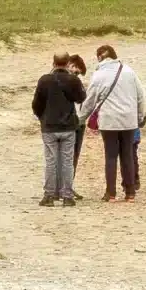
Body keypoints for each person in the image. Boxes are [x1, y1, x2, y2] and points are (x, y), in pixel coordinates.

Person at [84, 43, 146, 202]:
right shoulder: (129, 71)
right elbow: (140, 96)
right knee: (127, 154)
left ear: (100, 57)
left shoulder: (98, 75)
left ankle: (110, 193)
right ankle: (130, 193)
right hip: (129, 120)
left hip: (109, 121)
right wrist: (140, 117)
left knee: (111, 156)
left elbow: (90, 100)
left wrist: (80, 118)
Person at [32, 53, 87, 205]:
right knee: (67, 161)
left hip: (49, 126)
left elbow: (36, 103)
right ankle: (67, 196)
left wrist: (42, 117)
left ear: (54, 62)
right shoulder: (73, 80)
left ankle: (49, 195)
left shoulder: (44, 80)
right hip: (68, 126)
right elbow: (81, 98)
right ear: (67, 62)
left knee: (51, 161)